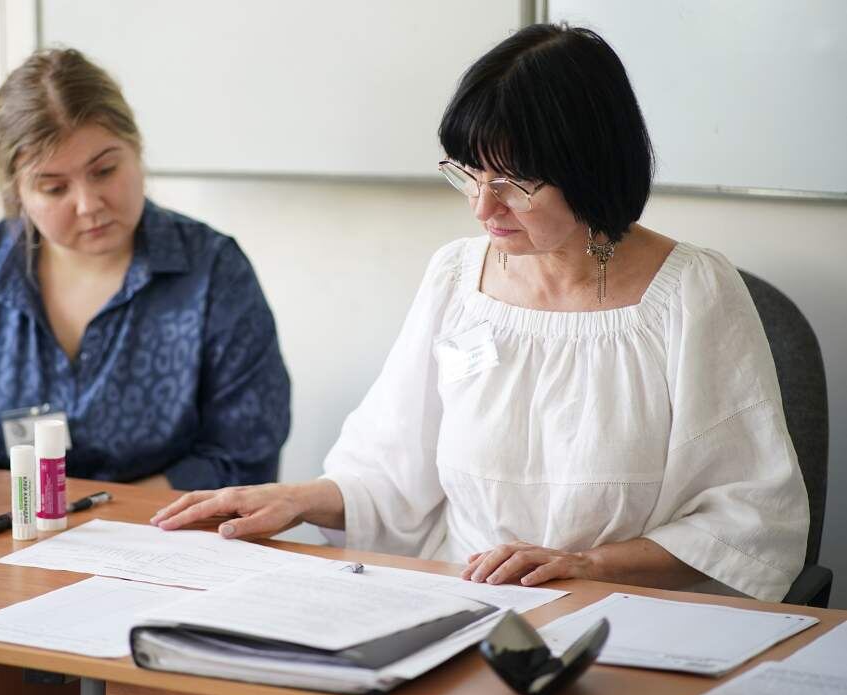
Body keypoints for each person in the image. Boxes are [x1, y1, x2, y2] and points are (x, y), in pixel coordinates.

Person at [151, 24, 808, 602]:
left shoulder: (693, 294)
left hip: (622, 615)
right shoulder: (456, 277)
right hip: (458, 603)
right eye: (466, 174)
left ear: (589, 167)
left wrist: (587, 565)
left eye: (513, 184)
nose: (481, 207)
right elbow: (390, 468)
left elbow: (744, 519)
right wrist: (296, 497)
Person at [0, 48, 290, 489]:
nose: (89, 205)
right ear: (16, 191)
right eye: (54, 188)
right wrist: (15, 508)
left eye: (105, 170)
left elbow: (245, 454)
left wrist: (106, 517)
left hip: (160, 539)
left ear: (137, 150)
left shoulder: (213, 272)